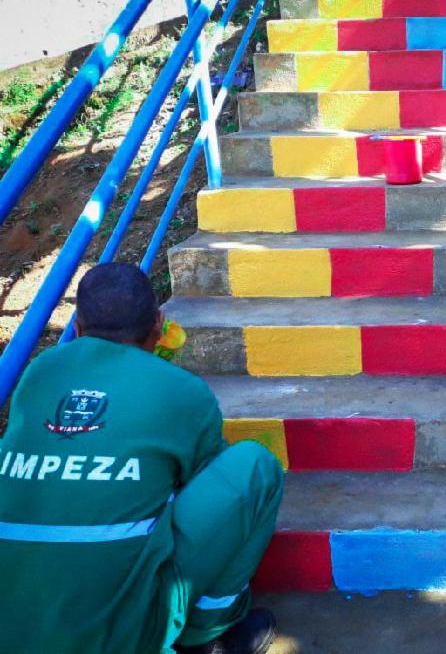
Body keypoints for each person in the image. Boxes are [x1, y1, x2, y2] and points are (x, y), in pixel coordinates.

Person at [0, 262, 284, 654]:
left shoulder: (37, 373)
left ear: (77, 330)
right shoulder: (182, 390)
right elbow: (202, 482)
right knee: (254, 466)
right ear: (159, 327)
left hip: (12, 626)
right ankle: (208, 631)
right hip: (122, 635)